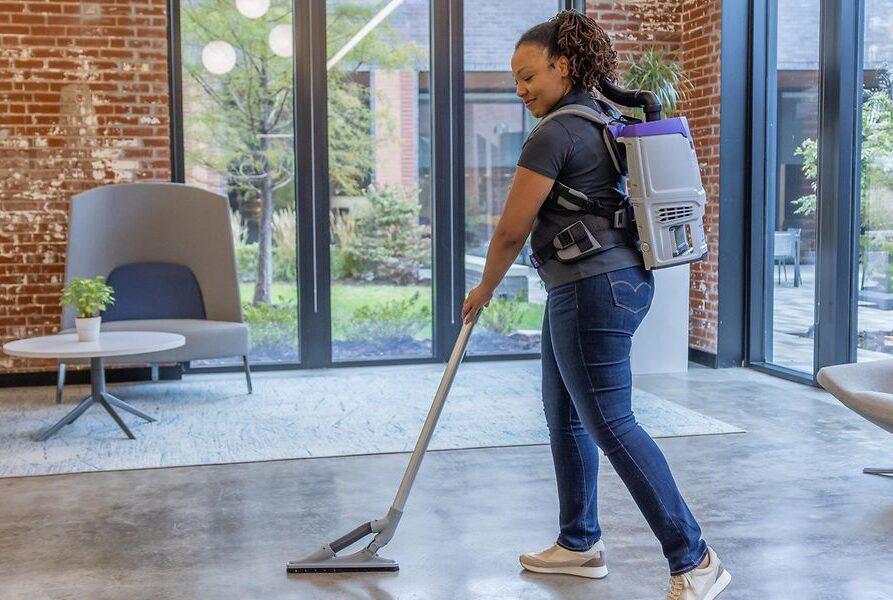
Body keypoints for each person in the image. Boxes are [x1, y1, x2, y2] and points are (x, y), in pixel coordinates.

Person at [460, 10, 731, 600]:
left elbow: (511, 229)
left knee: (610, 422)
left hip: (591, 290)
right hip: (609, 282)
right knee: (564, 414)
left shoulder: (555, 132)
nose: (521, 89)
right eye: (515, 81)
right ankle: (578, 543)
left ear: (563, 65)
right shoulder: (606, 117)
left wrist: (483, 289)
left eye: (529, 75)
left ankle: (696, 556)